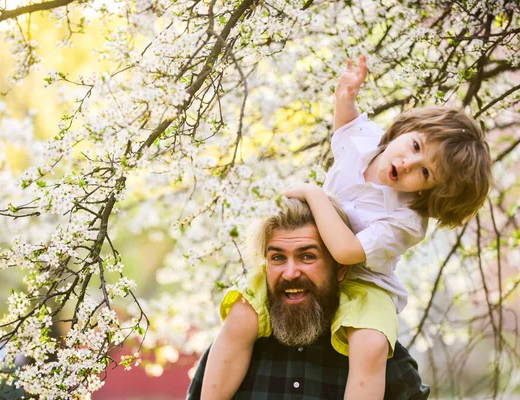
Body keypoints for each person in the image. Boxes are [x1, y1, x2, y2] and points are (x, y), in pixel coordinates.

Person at [203, 55, 492, 399]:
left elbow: (346, 252)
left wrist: (314, 194)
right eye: (415, 146)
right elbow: (344, 126)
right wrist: (346, 96)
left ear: (431, 192)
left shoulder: (407, 220)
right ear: (405, 129)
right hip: (318, 257)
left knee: (370, 343)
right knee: (242, 313)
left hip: (365, 281)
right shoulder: (367, 140)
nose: (408, 162)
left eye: (425, 172)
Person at [190, 198, 430, 399]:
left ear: (340, 269)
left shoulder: (377, 352)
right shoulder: (232, 348)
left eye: (307, 256)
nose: (290, 272)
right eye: (277, 258)